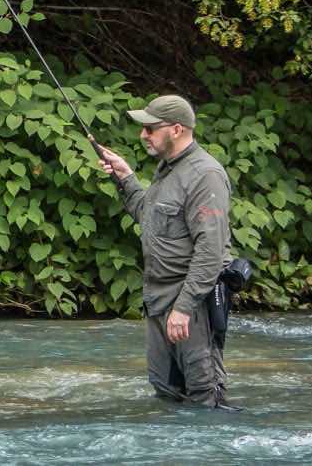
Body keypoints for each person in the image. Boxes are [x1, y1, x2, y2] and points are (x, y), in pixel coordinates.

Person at [97, 94, 235, 408]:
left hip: (192, 305)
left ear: (176, 129)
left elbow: (210, 251)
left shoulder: (205, 175)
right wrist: (125, 177)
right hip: (159, 301)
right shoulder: (168, 170)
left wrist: (183, 308)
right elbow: (148, 216)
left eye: (150, 128)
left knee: (205, 395)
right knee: (166, 391)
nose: (143, 134)